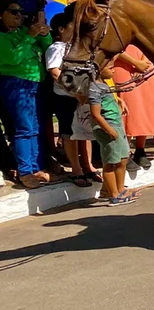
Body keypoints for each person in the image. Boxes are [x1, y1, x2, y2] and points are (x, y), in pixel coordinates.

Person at [111, 0, 154, 169]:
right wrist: (134, 62)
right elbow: (111, 44)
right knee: (126, 108)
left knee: (145, 108)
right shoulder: (112, 15)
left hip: (146, 64)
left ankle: (141, 149)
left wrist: (145, 61)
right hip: (123, 64)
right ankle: (125, 150)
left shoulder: (141, 13)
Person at [0, 0, 53, 188]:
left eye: (21, 12)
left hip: (35, 83)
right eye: (13, 12)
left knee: (35, 127)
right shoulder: (2, 37)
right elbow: (14, 58)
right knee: (24, 128)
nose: (19, 16)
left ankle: (35, 167)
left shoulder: (23, 31)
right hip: (15, 84)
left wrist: (44, 32)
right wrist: (30, 37)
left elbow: (47, 47)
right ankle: (25, 171)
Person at [46, 12, 102, 187]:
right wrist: (74, 90)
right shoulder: (57, 48)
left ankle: (88, 165)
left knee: (85, 131)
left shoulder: (76, 46)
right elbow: (55, 72)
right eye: (72, 26)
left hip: (81, 96)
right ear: (61, 29)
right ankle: (76, 169)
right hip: (66, 97)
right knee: (70, 133)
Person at [86, 64, 137, 206]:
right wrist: (109, 130)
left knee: (123, 158)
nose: (113, 70)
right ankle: (114, 195)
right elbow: (96, 114)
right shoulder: (94, 88)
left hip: (116, 124)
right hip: (108, 127)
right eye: (109, 67)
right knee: (110, 162)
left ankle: (120, 189)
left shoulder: (104, 84)